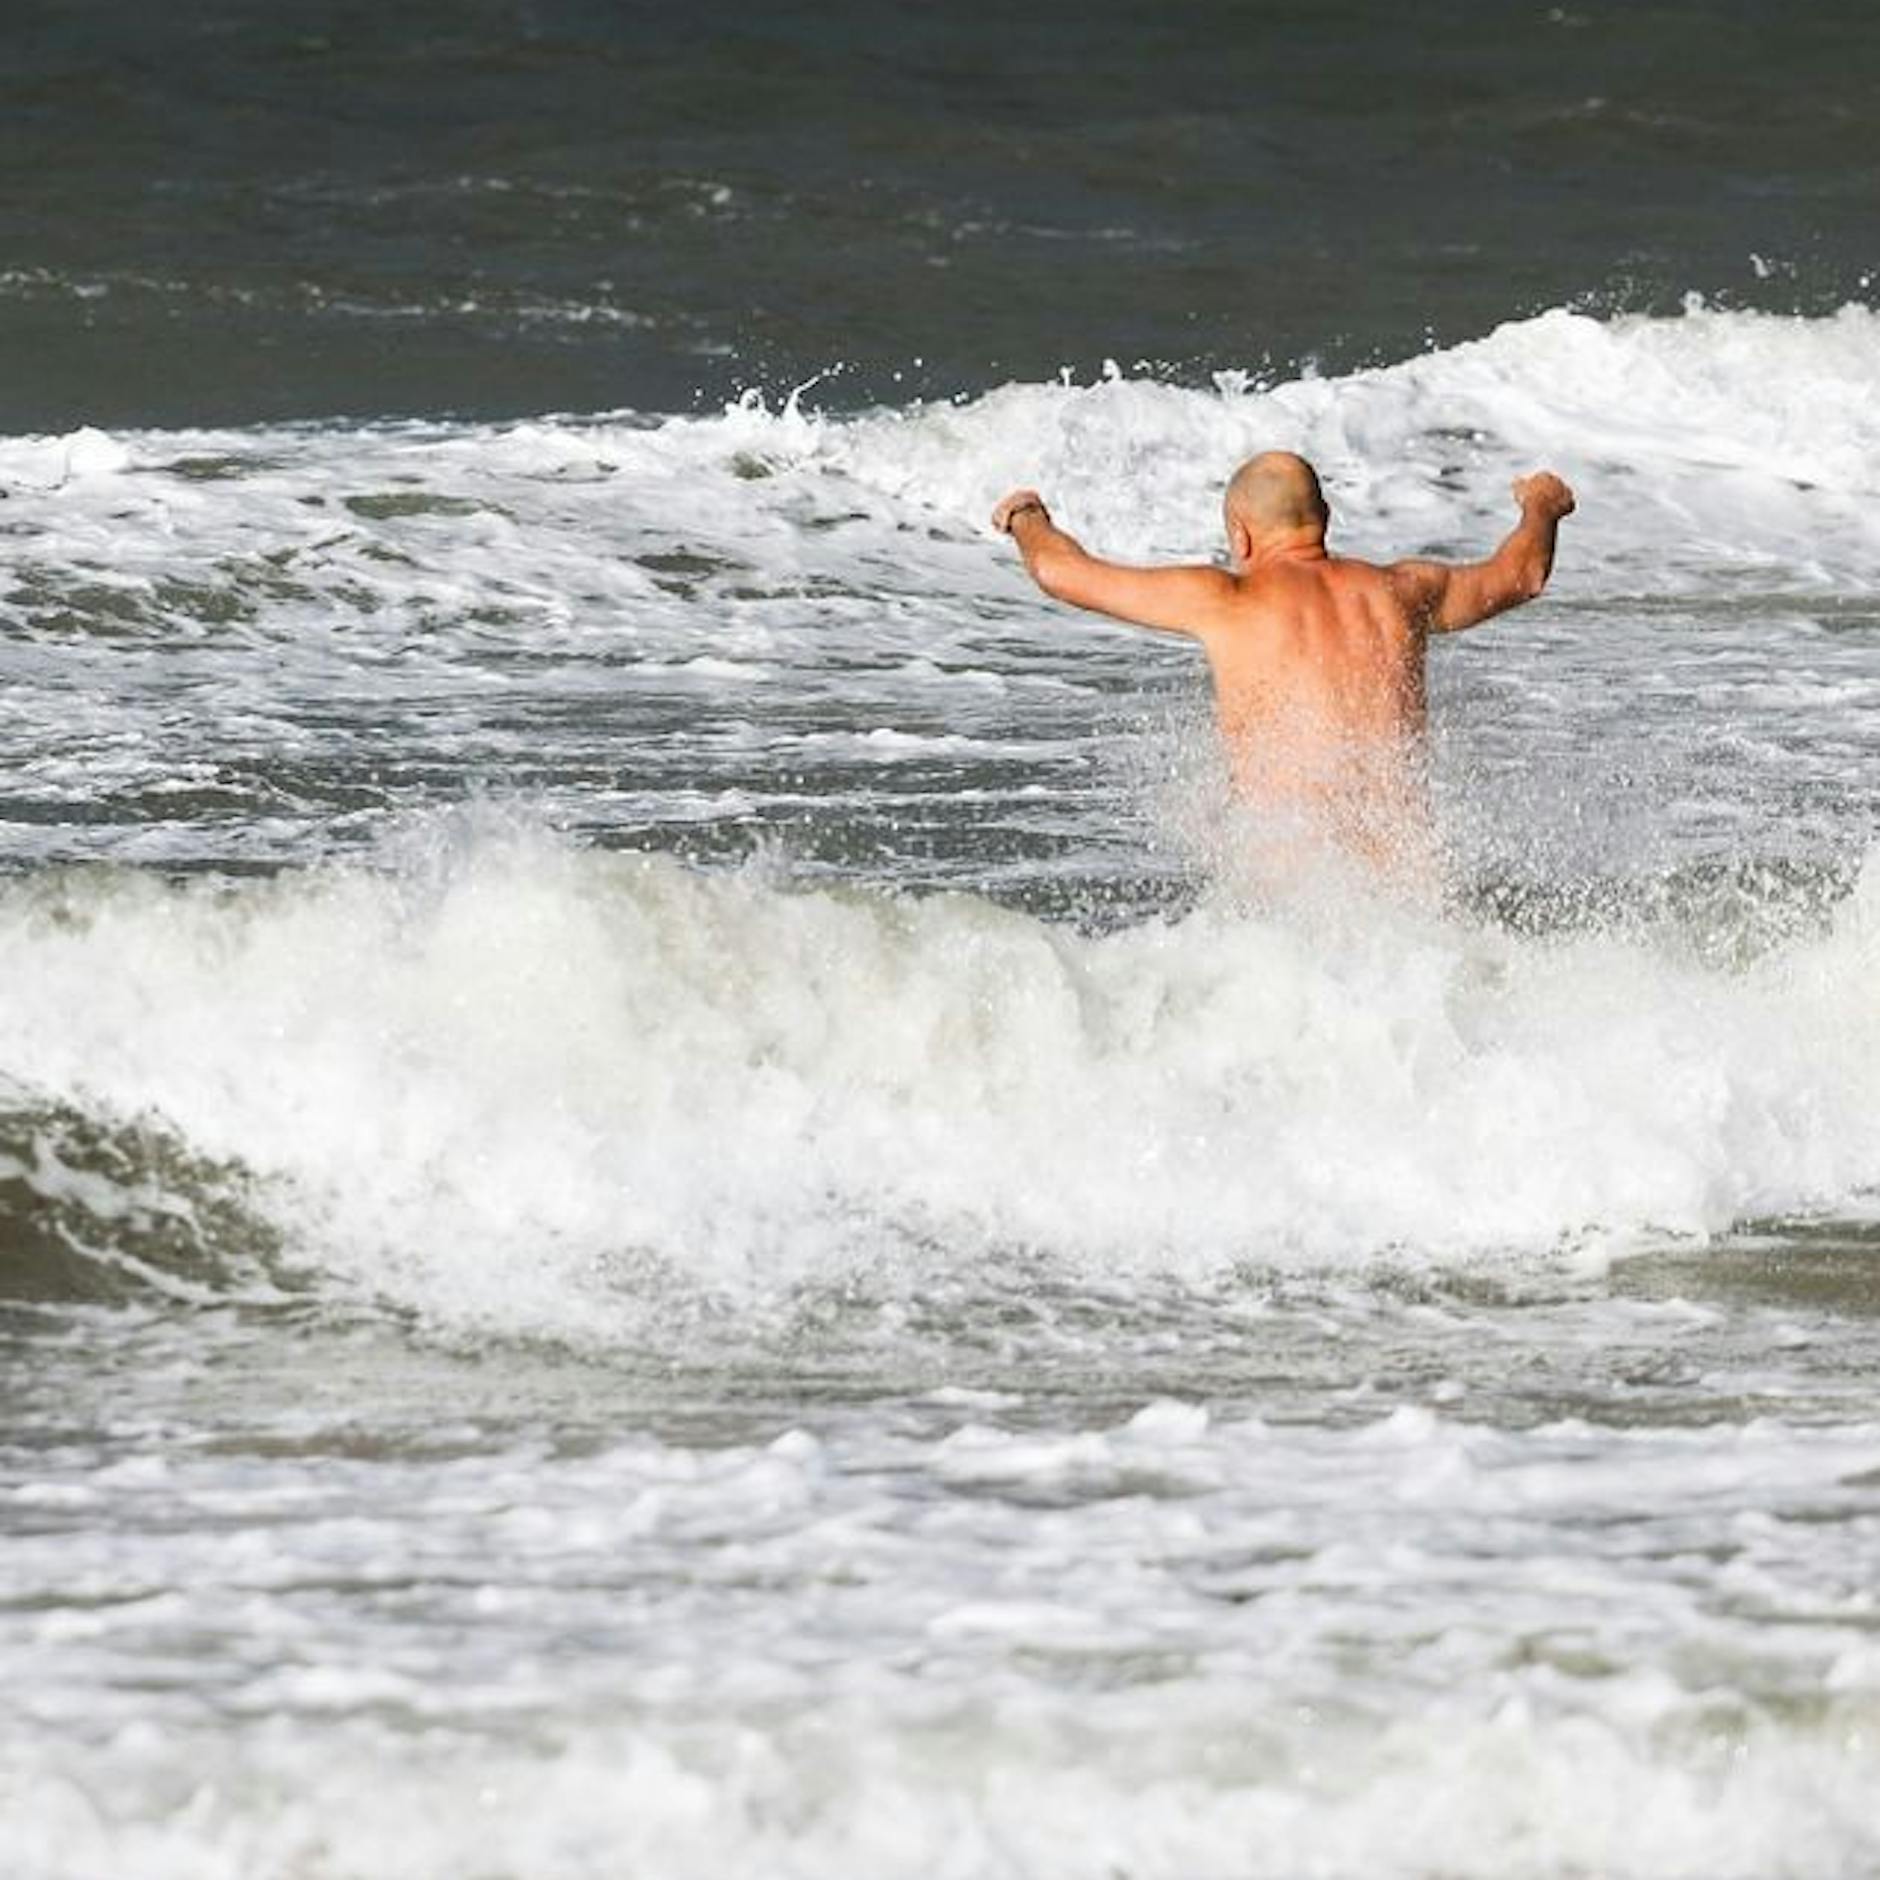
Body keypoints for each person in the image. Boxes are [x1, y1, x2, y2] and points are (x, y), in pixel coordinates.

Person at [992, 453, 1575, 876]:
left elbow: (1061, 574)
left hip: (1297, 895)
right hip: (1407, 883)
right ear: (1324, 517)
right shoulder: (1402, 591)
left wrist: (1026, 515)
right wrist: (1541, 506)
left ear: (1240, 536)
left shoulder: (1226, 599)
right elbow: (1521, 575)